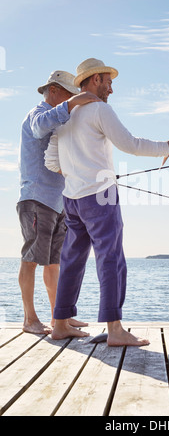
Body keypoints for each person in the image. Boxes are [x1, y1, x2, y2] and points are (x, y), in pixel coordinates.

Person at [45, 58, 169, 346]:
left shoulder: (65, 115)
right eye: (109, 82)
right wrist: (167, 147)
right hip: (100, 197)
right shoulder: (99, 109)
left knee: (71, 260)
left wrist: (77, 173)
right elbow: (130, 144)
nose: (112, 88)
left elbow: (52, 160)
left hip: (71, 199)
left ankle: (60, 324)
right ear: (95, 79)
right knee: (111, 260)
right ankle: (115, 330)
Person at [17, 70, 100, 334]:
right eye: (68, 93)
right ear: (53, 91)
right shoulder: (36, 115)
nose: (72, 99)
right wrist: (74, 104)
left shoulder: (57, 120)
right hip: (36, 201)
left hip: (57, 203)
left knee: (55, 264)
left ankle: (58, 318)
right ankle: (29, 320)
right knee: (30, 259)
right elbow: (41, 126)